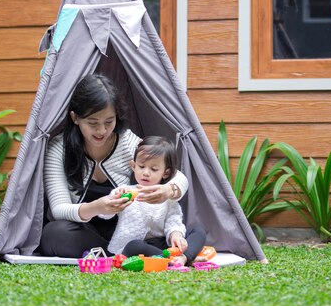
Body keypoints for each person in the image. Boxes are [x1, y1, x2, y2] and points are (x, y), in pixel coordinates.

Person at [39, 73, 189, 258]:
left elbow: (178, 176)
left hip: (128, 233)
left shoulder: (126, 142)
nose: (102, 131)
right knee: (54, 235)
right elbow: (59, 209)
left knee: (173, 233)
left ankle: (132, 251)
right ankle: (123, 254)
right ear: (75, 118)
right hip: (85, 233)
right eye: (92, 123)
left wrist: (169, 191)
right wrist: (97, 207)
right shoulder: (59, 148)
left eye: (109, 122)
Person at [101, 136, 206, 266]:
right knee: (135, 245)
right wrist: (114, 199)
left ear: (165, 173)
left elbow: (174, 220)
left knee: (198, 231)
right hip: (133, 245)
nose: (146, 173)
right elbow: (105, 214)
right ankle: (173, 261)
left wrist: (176, 235)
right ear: (133, 166)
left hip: (161, 244)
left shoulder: (167, 196)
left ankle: (183, 257)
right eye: (141, 166)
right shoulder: (124, 190)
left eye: (154, 169)